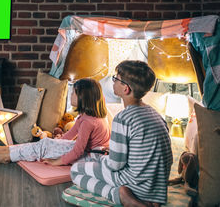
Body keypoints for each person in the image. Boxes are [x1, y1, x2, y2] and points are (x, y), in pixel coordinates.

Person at [70, 60, 173, 207]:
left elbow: (115, 164)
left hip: (135, 183)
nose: (113, 82)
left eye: (116, 78)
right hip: (157, 188)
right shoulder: (156, 115)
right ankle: (149, 199)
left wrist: (102, 161)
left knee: (76, 170)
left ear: (126, 89)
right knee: (98, 157)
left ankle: (122, 196)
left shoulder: (122, 118)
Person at [0, 78, 111, 166]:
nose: (71, 95)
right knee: (45, 143)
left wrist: (57, 161)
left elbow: (78, 150)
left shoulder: (88, 122)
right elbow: (69, 136)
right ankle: (7, 151)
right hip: (89, 153)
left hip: (91, 158)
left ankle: (7, 156)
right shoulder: (86, 116)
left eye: (74, 93)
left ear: (84, 98)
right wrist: (54, 143)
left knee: (43, 147)